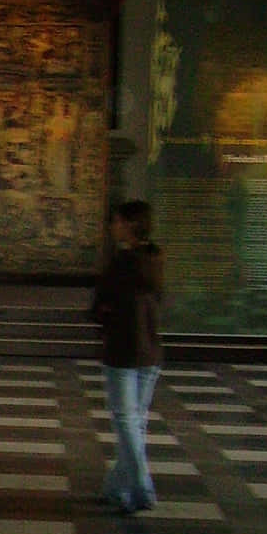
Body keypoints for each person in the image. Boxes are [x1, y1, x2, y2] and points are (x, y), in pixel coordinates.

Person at [91, 199, 164, 514]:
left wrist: (101, 315)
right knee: (137, 422)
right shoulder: (156, 259)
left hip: (123, 349)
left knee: (125, 420)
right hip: (150, 349)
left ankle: (142, 486)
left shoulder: (123, 262)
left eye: (117, 220)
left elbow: (103, 301)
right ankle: (116, 489)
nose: (113, 225)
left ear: (130, 224)